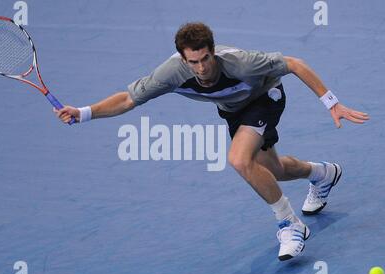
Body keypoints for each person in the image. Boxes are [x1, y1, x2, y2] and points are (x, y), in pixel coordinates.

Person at [54, 22, 369, 261]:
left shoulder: (242, 62)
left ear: (213, 51)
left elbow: (294, 64)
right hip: (234, 110)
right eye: (193, 62)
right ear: (183, 58)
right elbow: (128, 99)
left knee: (239, 159)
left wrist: (332, 103)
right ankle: (322, 173)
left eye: (205, 58)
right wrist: (83, 113)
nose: (201, 68)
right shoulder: (171, 73)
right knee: (270, 169)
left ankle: (290, 225)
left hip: (265, 97)